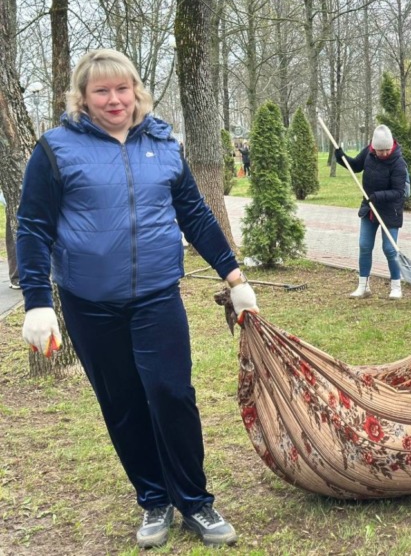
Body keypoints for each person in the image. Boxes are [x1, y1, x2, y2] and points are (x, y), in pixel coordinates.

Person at [15, 49, 258, 548]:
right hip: (88, 304)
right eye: (101, 90)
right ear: (83, 97)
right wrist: (38, 302)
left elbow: (195, 214)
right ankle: (153, 498)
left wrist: (235, 279)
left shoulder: (164, 145)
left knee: (172, 395)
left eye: (122, 88)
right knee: (122, 403)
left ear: (136, 91)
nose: (114, 99)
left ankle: (195, 501)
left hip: (156, 297)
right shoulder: (56, 149)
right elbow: (34, 227)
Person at [334, 124, 408, 300]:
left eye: (386, 150)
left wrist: (376, 196)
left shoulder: (398, 162)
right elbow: (355, 166)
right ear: (374, 147)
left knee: (389, 249)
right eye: (380, 150)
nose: (383, 153)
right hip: (369, 208)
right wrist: (341, 157)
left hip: (390, 210)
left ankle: (396, 286)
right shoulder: (369, 152)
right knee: (364, 245)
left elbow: (399, 192)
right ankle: (363, 286)